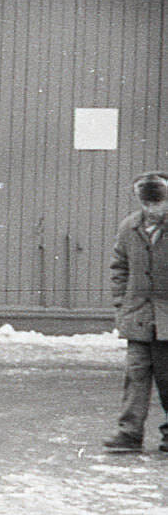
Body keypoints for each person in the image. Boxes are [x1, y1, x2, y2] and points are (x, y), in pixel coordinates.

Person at [105, 171, 168, 451]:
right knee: (136, 376)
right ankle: (129, 433)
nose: (152, 209)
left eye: (158, 203)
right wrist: (122, 303)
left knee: (167, 380)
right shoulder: (129, 227)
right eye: (147, 203)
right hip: (138, 317)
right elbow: (119, 267)